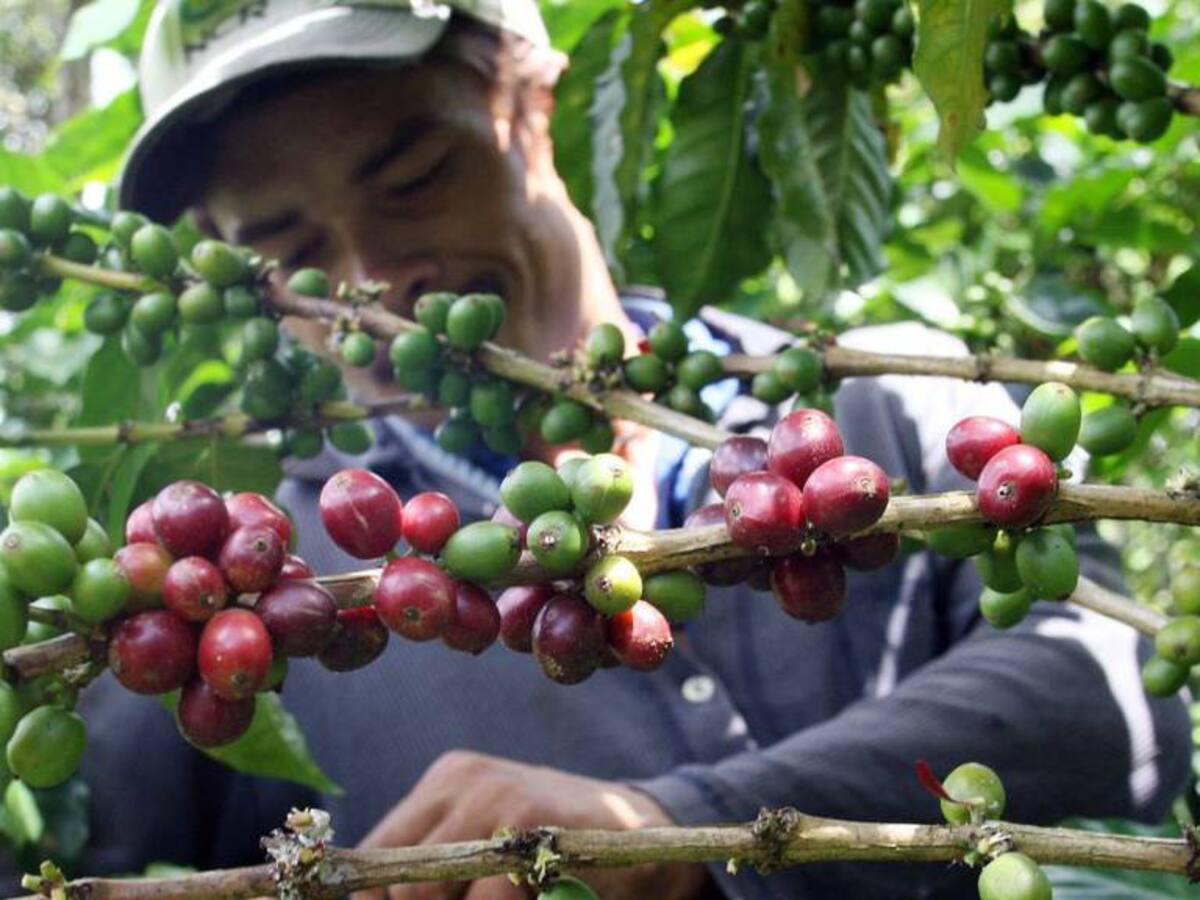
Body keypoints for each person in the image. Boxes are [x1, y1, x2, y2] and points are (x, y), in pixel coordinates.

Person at [11, 2, 1188, 898]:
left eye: (416, 178)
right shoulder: (257, 590)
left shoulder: (877, 408)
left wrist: (677, 823)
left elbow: (1112, 699)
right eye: (285, 252)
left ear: (538, 105)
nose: (370, 286)